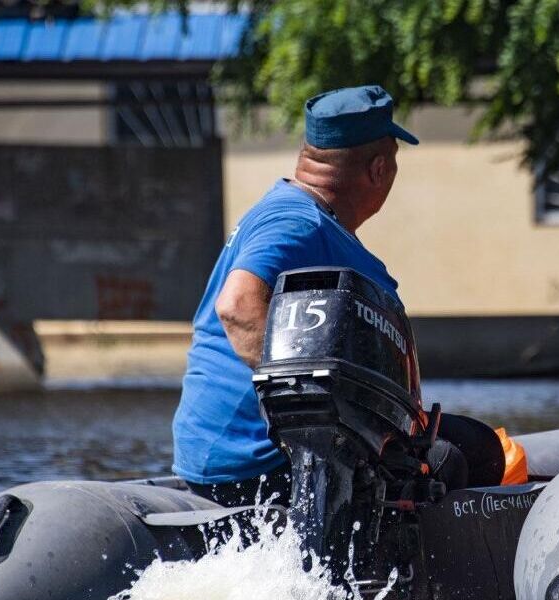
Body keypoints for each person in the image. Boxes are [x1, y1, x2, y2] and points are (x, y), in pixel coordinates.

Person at [172, 85, 499, 507]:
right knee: (464, 456)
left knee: (460, 442)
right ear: (379, 169)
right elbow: (237, 307)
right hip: (255, 463)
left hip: (222, 454)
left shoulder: (299, 214)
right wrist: (317, 399)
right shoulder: (295, 222)